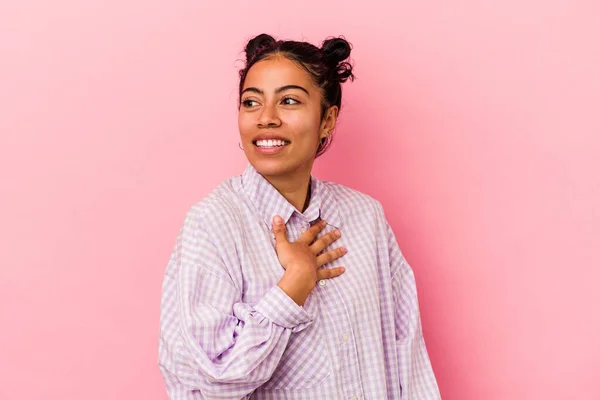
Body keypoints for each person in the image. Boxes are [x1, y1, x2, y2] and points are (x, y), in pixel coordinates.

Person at [158, 33, 441, 399]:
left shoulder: (364, 218)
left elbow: (407, 357)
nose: (266, 119)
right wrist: (292, 287)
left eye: (289, 100)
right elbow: (208, 384)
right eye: (251, 103)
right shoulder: (212, 225)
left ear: (327, 120)